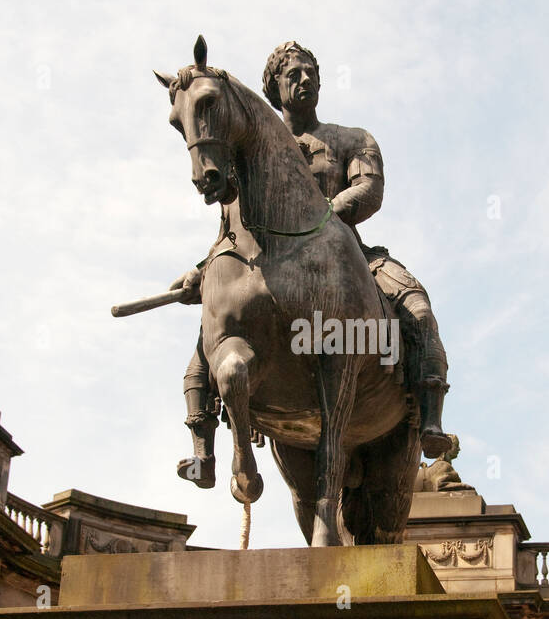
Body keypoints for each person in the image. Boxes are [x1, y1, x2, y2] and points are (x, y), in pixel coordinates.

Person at [171, 42, 451, 487]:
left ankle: (430, 419)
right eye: (293, 75)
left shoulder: (351, 140)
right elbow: (232, 225)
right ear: (274, 89)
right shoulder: (243, 155)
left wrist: (324, 219)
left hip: (348, 258)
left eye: (310, 73)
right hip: (260, 263)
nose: (304, 81)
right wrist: (203, 271)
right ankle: (203, 450)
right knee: (211, 336)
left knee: (416, 307)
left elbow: (369, 191)